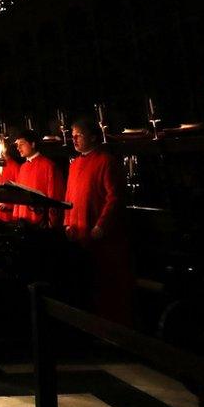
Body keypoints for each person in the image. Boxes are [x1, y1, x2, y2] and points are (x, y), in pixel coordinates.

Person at [64, 118, 134, 324]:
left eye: (79, 135)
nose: (74, 139)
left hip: (100, 236)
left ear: (93, 137)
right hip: (78, 234)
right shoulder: (74, 163)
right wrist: (67, 222)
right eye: (72, 134)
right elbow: (68, 197)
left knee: (106, 284)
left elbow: (114, 197)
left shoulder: (105, 161)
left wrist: (101, 225)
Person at [11, 130, 65, 228]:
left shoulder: (48, 165)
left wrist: (52, 222)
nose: (18, 148)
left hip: (41, 222)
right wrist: (16, 216)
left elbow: (54, 195)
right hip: (23, 221)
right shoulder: (22, 167)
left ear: (32, 144)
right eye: (17, 145)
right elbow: (18, 194)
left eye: (21, 144)